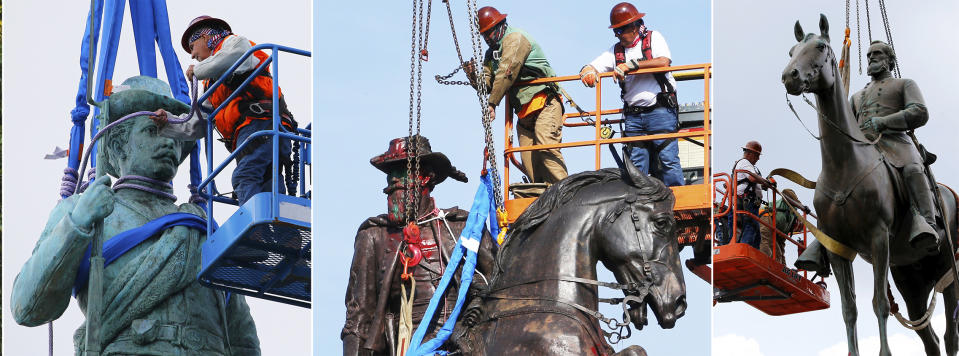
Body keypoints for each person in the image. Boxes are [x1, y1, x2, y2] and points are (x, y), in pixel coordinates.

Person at [11, 76, 260, 355]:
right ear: (119, 147)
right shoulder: (82, 209)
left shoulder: (203, 227)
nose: (169, 143)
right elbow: (27, 307)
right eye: (153, 131)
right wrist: (78, 224)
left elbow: (242, 338)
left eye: (174, 134)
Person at [341, 136, 495, 355]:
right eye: (390, 174)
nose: (394, 182)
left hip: (465, 344)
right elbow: (358, 319)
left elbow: (499, 284)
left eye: (402, 172)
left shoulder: (462, 227)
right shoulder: (374, 235)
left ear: (427, 178)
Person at [797, 40, 939, 274]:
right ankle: (822, 244)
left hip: (896, 143)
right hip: (864, 149)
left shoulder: (904, 84)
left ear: (889, 60)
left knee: (913, 169)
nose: (871, 57)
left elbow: (919, 112)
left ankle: (925, 223)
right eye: (869, 54)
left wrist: (885, 122)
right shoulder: (857, 96)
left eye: (877, 54)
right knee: (833, 184)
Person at [152, 15, 296, 205]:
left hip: (262, 125)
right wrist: (168, 121)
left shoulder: (235, 43)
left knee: (244, 177)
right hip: (253, 134)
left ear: (204, 38)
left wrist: (198, 70)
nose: (193, 56)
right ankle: (280, 233)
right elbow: (198, 124)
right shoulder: (213, 85)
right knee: (268, 186)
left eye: (193, 47)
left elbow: (233, 56)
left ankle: (257, 232)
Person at [579, 2, 683, 187]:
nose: (617, 35)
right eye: (616, 31)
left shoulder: (653, 38)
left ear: (634, 27)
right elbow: (593, 65)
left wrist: (632, 65)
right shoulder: (616, 50)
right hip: (634, 116)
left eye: (620, 31)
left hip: (660, 111)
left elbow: (663, 61)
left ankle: (678, 201)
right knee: (636, 166)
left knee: (668, 159)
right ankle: (638, 205)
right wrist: (587, 71)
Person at [465, 6, 568, 185]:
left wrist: (492, 104)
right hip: (524, 115)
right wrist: (475, 77)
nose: (487, 38)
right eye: (484, 35)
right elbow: (488, 85)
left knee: (547, 149)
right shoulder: (492, 53)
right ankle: (542, 201)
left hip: (545, 103)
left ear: (501, 26)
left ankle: (568, 192)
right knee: (529, 164)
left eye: (489, 33)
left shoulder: (515, 39)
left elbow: (507, 72)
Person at [726, 140, 771, 249]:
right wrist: (766, 182)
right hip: (747, 201)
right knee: (751, 226)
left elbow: (752, 180)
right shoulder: (745, 163)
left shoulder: (748, 165)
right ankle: (744, 250)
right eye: (757, 155)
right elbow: (751, 177)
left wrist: (763, 184)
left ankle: (752, 252)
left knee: (755, 232)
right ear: (749, 153)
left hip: (748, 201)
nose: (758, 158)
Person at [759, 188, 802, 265]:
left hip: (774, 223)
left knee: (779, 249)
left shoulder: (787, 227)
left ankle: (780, 266)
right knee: (766, 239)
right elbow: (786, 191)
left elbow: (781, 247)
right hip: (765, 215)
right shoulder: (788, 204)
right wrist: (800, 204)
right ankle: (763, 261)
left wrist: (784, 268)